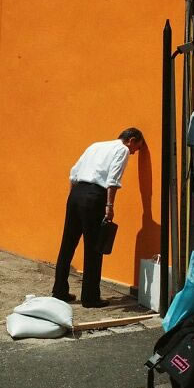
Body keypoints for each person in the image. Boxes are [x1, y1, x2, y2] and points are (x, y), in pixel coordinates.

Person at [52, 127, 144, 308]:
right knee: (94, 248)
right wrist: (109, 205)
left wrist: (74, 198)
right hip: (95, 196)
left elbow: (73, 173)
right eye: (136, 148)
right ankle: (90, 297)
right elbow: (113, 180)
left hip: (76, 194)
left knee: (68, 243)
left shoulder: (95, 146)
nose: (133, 153)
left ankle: (59, 290)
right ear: (131, 140)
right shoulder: (122, 149)